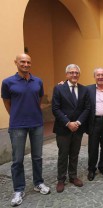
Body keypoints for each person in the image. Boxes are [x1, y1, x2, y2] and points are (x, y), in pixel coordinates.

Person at [1, 53, 50, 206]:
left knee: (37, 157)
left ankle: (38, 183)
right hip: (17, 126)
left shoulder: (38, 81)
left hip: (37, 123)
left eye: (28, 62)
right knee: (17, 159)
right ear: (16, 62)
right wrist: (16, 116)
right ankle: (18, 189)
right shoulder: (8, 82)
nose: (26, 64)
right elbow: (7, 103)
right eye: (22, 61)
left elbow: (39, 99)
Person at [52, 64, 90, 192]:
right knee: (63, 155)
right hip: (63, 128)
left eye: (76, 73)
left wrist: (78, 122)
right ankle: (61, 179)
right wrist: (68, 123)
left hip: (78, 128)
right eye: (71, 72)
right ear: (67, 74)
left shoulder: (84, 89)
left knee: (74, 153)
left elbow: (87, 108)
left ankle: (73, 177)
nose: (74, 75)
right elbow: (55, 108)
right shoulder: (58, 88)